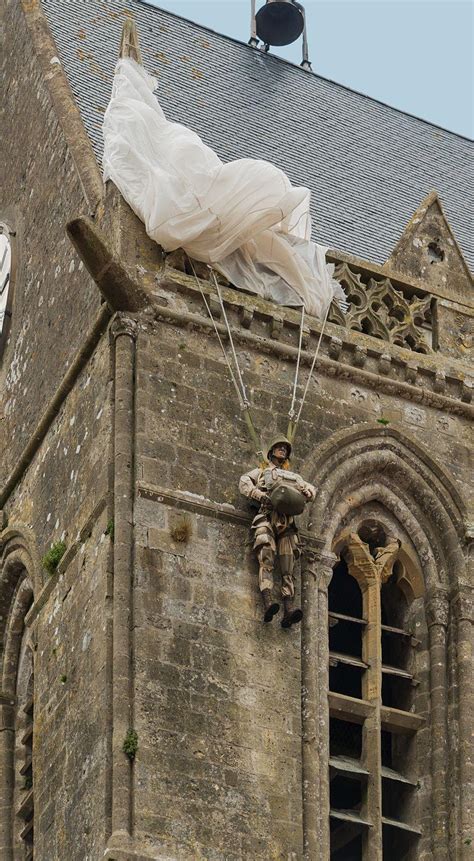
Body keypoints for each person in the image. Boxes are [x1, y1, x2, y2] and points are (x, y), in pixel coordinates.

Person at [239, 436, 315, 627]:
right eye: (279, 448)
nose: (282, 450)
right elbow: (244, 481)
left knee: (288, 564)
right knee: (267, 557)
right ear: (272, 451)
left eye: (285, 449)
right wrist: (259, 494)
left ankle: (289, 607)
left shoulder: (294, 478)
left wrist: (308, 493)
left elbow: (310, 489)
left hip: (287, 523)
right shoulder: (261, 472)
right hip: (266, 516)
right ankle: (268, 601)